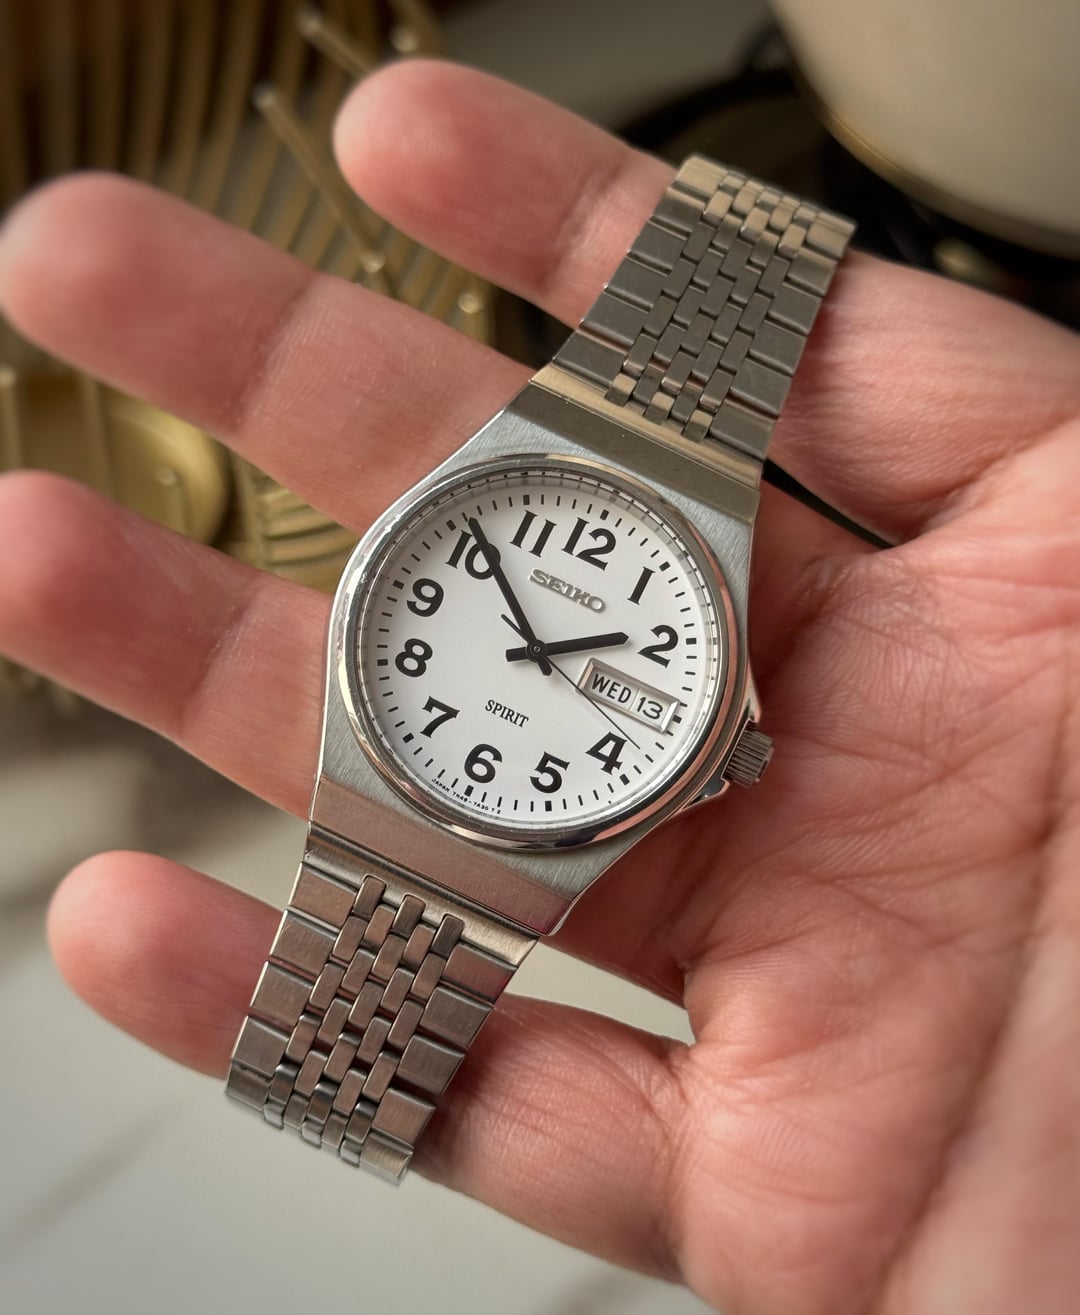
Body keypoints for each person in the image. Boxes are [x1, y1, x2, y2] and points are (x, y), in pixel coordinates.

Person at [0, 60, 1077, 1315]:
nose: (539, 660)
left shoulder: (700, 696)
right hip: (423, 759)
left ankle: (336, 1081)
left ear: (722, 742)